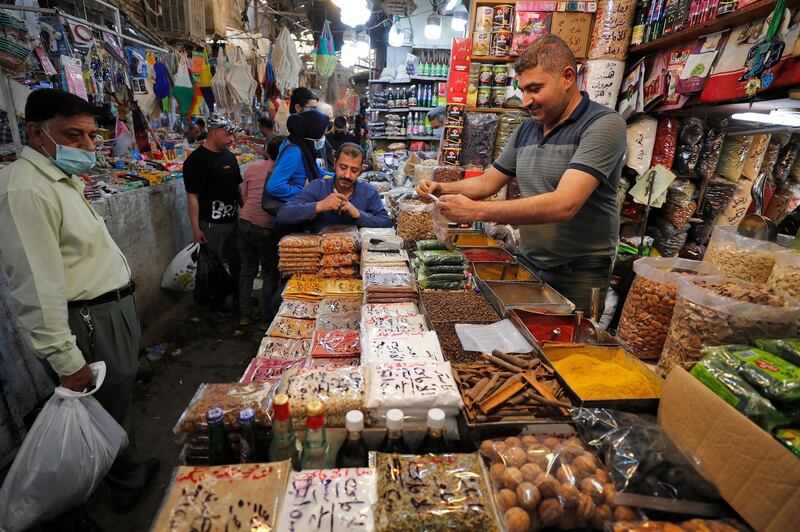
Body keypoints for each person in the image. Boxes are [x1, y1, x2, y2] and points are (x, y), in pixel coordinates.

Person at [0, 88, 158, 515]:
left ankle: (126, 471)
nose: (89, 147)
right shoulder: (26, 191)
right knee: (100, 406)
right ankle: (120, 485)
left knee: (117, 398)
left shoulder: (58, 179)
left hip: (109, 312)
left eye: (92, 136)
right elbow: (36, 288)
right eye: (74, 136)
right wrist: (67, 360)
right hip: (87, 321)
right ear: (35, 133)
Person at [416, 36, 627, 313]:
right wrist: (441, 188)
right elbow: (487, 182)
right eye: (523, 90)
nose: (526, 101)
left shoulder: (603, 125)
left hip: (579, 272)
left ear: (567, 77)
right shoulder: (527, 129)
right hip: (529, 260)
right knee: (522, 338)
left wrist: (476, 212)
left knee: (564, 348)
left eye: (535, 89)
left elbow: (565, 203)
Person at [183, 114, 244, 311]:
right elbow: (192, 197)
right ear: (214, 133)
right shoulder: (196, 161)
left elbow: (237, 188)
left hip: (233, 221)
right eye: (228, 135)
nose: (232, 140)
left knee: (237, 262)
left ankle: (237, 298)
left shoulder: (229, 156)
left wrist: (244, 212)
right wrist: (195, 228)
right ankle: (216, 303)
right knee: (213, 265)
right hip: (211, 225)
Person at [277, 142, 392, 231]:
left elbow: (386, 223)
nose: (347, 175)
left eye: (354, 170)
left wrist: (358, 214)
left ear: (361, 170)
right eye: (343, 167)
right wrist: (319, 206)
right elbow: (283, 215)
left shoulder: (369, 192)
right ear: (335, 163)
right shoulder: (317, 187)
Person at [238, 135, 285, 326]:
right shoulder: (281, 172)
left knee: (247, 271)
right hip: (265, 229)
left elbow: (245, 196)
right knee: (269, 273)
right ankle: (268, 318)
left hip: (244, 222)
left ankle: (244, 314)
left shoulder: (253, 167)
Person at [266, 109, 332, 204]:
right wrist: (304, 192)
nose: (323, 139)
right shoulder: (294, 151)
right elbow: (274, 187)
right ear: (312, 132)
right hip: (295, 210)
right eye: (322, 135)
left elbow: (316, 170)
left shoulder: (303, 147)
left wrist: (338, 177)